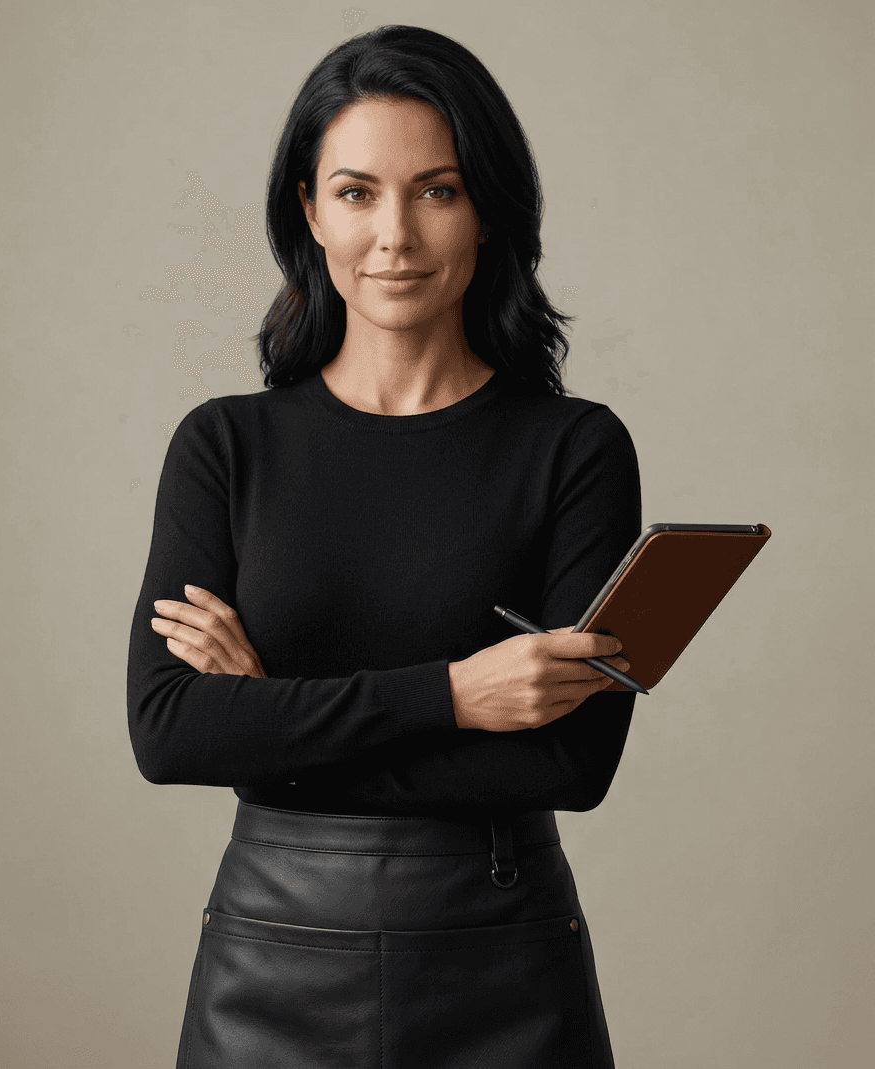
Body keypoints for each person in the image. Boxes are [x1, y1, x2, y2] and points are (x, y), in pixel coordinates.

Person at [127, 23, 641, 1069]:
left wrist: (273, 721)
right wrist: (454, 695)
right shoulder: (227, 445)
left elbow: (573, 763)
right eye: (357, 192)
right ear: (308, 211)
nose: (395, 235)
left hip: (504, 963)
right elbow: (172, 732)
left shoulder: (576, 448)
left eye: (438, 190)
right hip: (269, 959)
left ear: (490, 208)